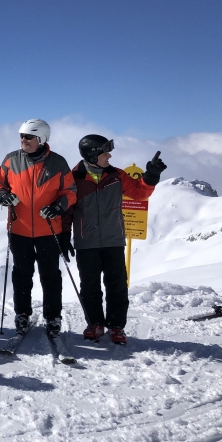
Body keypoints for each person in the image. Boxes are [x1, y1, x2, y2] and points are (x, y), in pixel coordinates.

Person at [64, 135, 166, 345]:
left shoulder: (117, 175)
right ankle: (95, 324)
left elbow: (138, 193)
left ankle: (116, 326)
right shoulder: (74, 178)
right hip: (87, 242)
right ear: (92, 154)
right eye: (104, 152)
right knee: (90, 286)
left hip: (114, 240)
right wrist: (64, 236)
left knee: (117, 285)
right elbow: (66, 211)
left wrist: (151, 176)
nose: (109, 156)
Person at [0, 119, 77, 338]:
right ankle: (22, 314)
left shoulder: (57, 163)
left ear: (41, 139)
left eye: (28, 137)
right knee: (21, 274)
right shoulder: (12, 160)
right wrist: (2, 195)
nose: (23, 140)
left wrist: (59, 206)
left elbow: (70, 190)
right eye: (21, 136)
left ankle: (53, 317)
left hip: (48, 230)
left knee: (50, 276)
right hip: (19, 228)